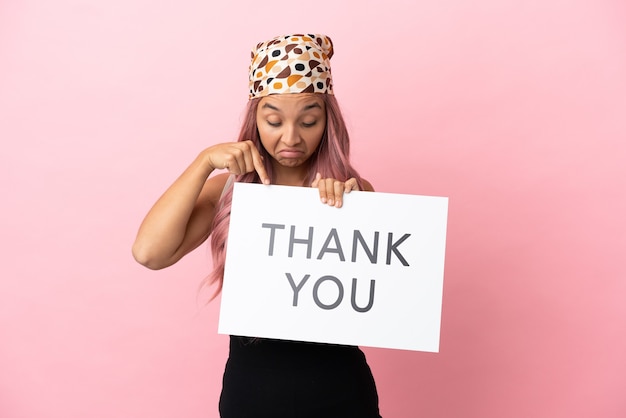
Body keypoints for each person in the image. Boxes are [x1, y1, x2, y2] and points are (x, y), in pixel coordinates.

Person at [132, 33, 381, 418]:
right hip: (253, 394)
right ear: (256, 118)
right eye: (274, 120)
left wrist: (350, 208)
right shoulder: (228, 191)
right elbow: (149, 253)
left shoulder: (353, 191)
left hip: (342, 391)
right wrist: (203, 163)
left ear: (327, 121)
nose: (291, 137)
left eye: (309, 120)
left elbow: (380, 297)